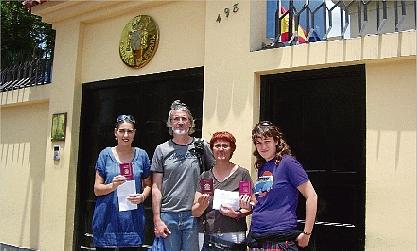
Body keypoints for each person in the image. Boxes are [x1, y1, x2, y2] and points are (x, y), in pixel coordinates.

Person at [240, 121, 318, 251]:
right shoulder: (263, 166)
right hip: (257, 237)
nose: (263, 146)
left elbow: (312, 196)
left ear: (276, 141)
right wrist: (247, 206)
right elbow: (263, 199)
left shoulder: (288, 163)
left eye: (267, 141)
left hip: (279, 238)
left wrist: (307, 233)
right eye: (258, 143)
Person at [151, 100, 216, 251]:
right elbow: (156, 187)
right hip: (168, 215)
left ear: (190, 123)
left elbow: (213, 175)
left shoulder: (201, 146)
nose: (180, 122)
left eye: (184, 119)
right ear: (170, 123)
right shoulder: (161, 150)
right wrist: (157, 219)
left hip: (194, 215)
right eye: (176, 119)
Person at [92, 115, 152, 251]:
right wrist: (112, 185)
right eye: (122, 131)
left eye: (130, 131)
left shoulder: (142, 155)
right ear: (115, 132)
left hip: (131, 221)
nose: (126, 135)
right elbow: (97, 189)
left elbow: (148, 184)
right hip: (107, 220)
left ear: (134, 133)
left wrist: (142, 196)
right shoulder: (105, 155)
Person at [192, 131, 252, 251]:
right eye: (217, 146)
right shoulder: (205, 177)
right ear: (212, 149)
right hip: (210, 236)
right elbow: (195, 212)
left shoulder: (242, 174)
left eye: (225, 146)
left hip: (234, 236)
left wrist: (237, 214)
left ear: (232, 149)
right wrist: (201, 206)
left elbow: (251, 205)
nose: (221, 149)